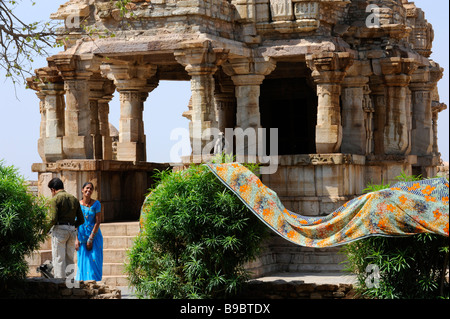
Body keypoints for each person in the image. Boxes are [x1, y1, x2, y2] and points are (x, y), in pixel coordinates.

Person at [47, 177, 84, 279]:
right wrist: (71, 227)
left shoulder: (55, 199)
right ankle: (70, 285)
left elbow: (53, 219)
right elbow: (81, 220)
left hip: (59, 230)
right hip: (72, 231)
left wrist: (45, 229)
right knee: (69, 259)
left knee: (59, 259)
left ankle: (59, 286)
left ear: (53, 189)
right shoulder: (74, 199)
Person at [75, 182, 103, 281]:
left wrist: (91, 239)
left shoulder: (96, 204)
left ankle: (96, 287)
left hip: (94, 237)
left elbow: (98, 221)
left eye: (91, 189)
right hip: (82, 238)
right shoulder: (78, 204)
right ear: (82, 190)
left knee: (94, 263)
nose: (89, 190)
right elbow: (76, 223)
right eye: (87, 188)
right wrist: (76, 239)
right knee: (82, 264)